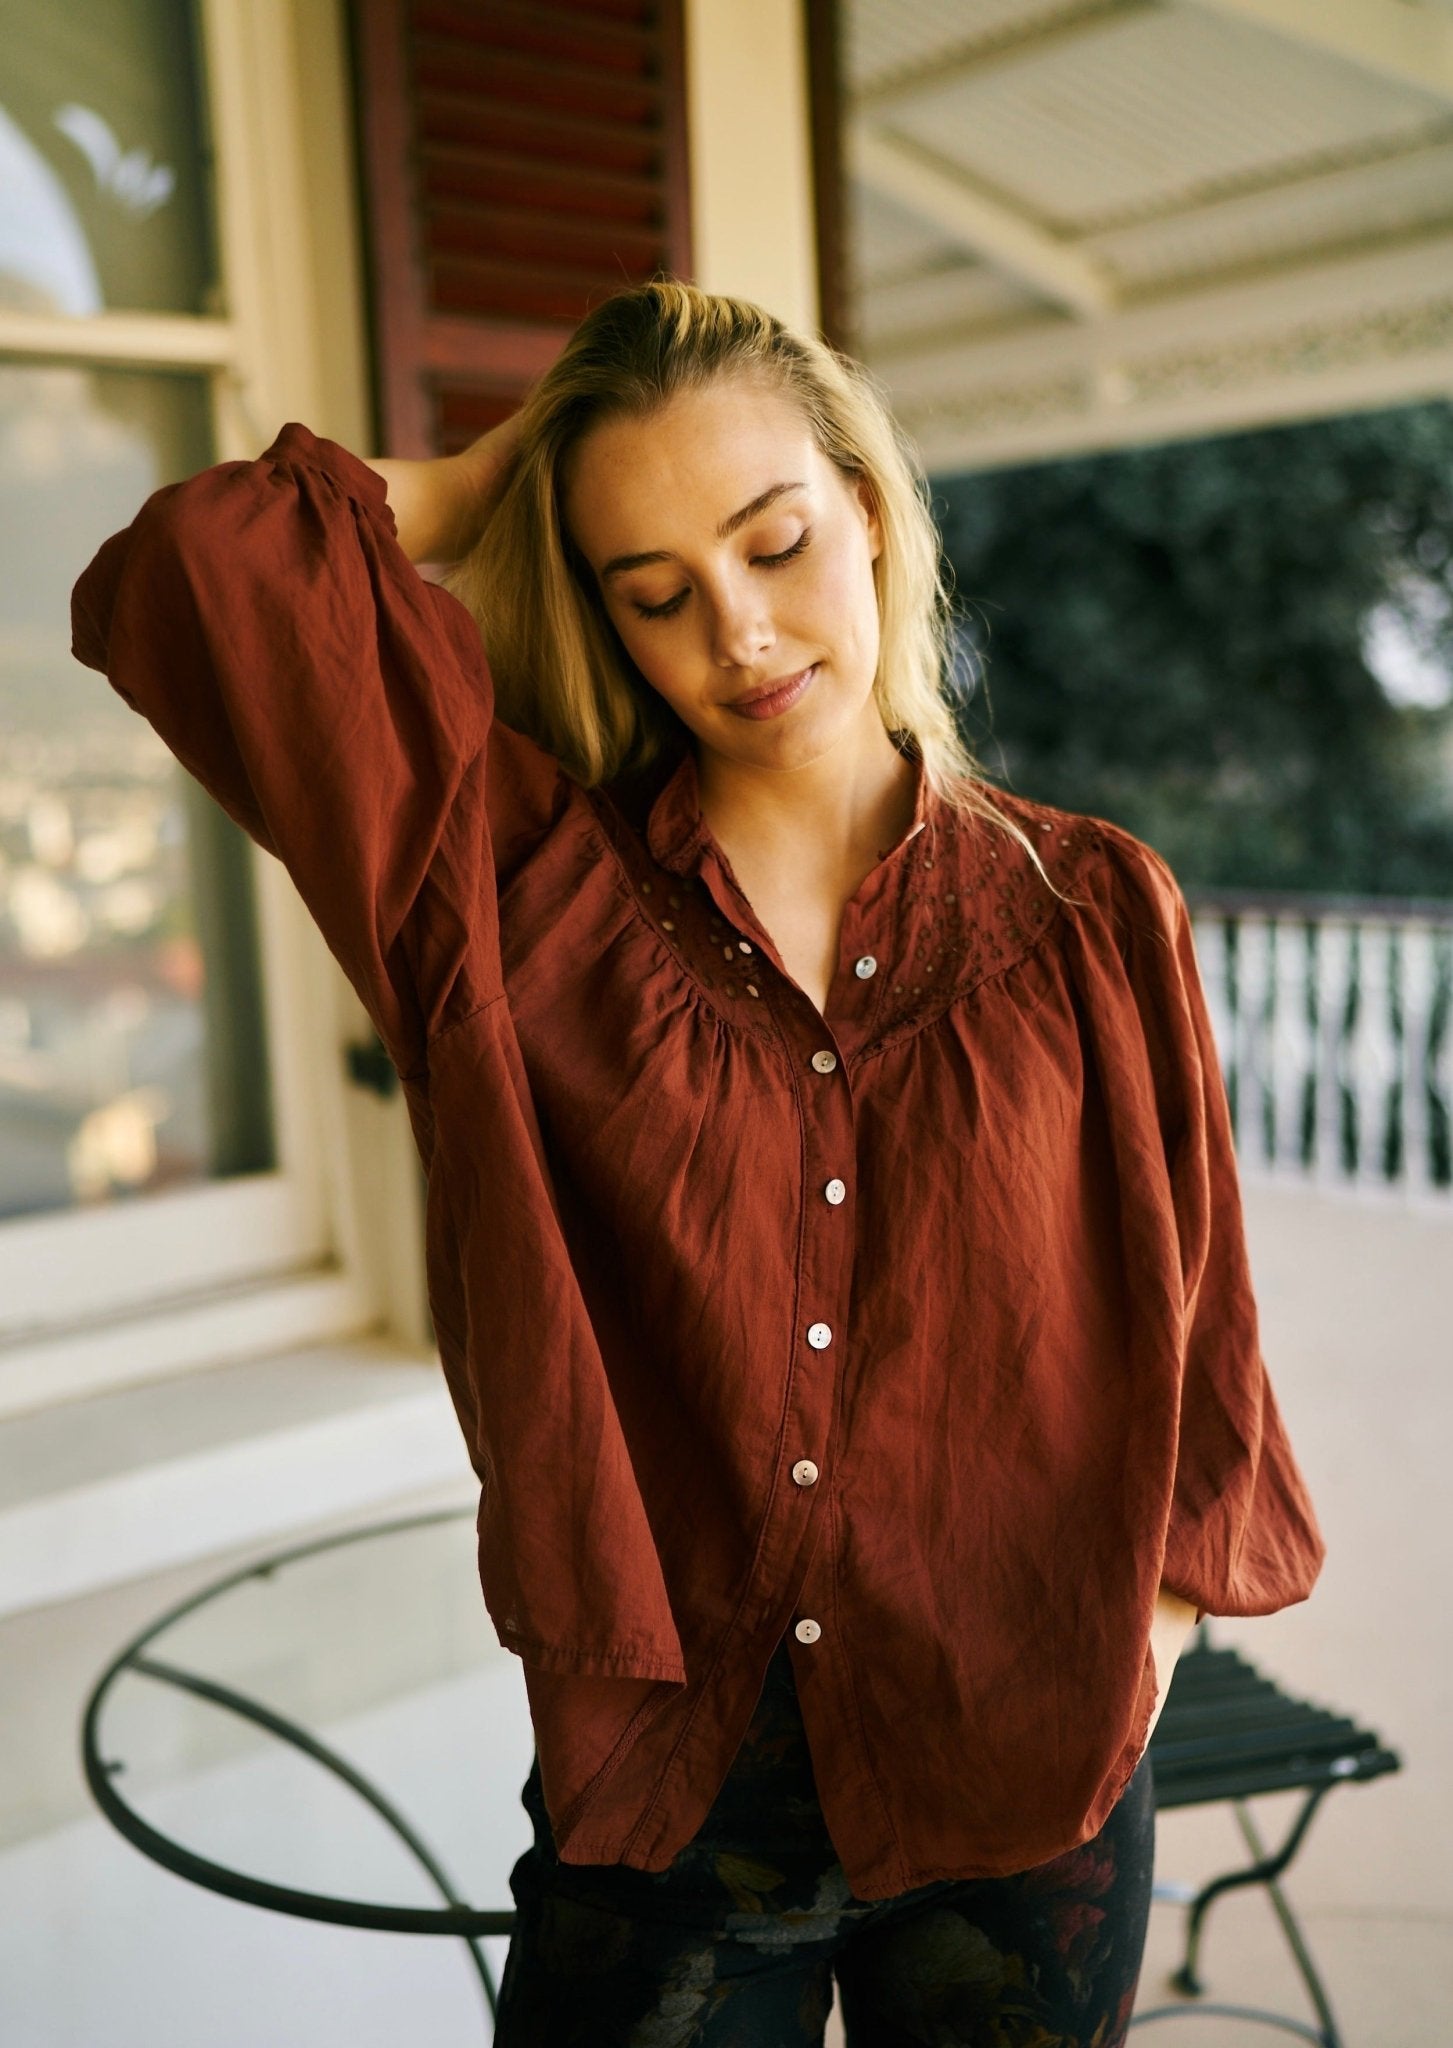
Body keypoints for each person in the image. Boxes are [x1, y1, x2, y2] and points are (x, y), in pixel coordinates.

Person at [71, 278, 1326, 2046]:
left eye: (775, 542)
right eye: (653, 591)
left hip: (1027, 1779)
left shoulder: (1088, 907)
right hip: (663, 1804)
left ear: (873, 516)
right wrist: (504, 465)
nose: (737, 632)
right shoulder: (502, 901)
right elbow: (206, 567)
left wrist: (1160, 1633)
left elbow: (1202, 1328)